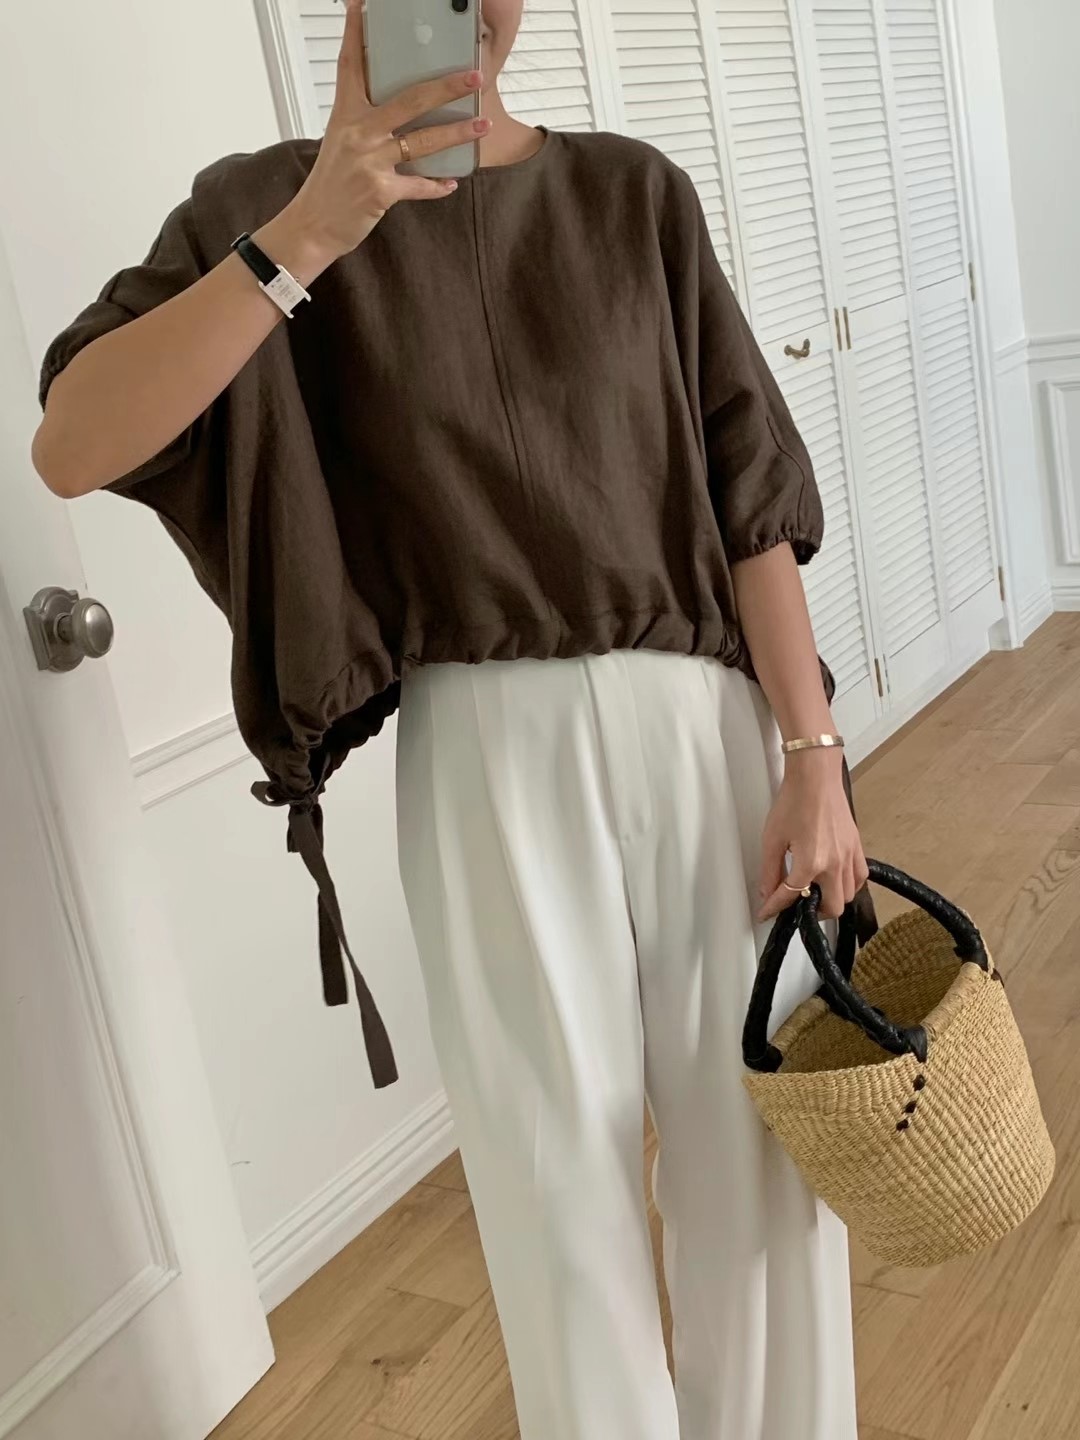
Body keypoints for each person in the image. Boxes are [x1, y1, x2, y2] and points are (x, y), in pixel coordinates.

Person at [33, 0, 867, 1435]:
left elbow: (751, 499)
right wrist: (310, 236)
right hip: (485, 758)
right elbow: (72, 442)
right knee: (556, 1200)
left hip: (707, 730)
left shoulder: (633, 193)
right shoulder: (268, 207)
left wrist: (815, 756)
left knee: (765, 1160)